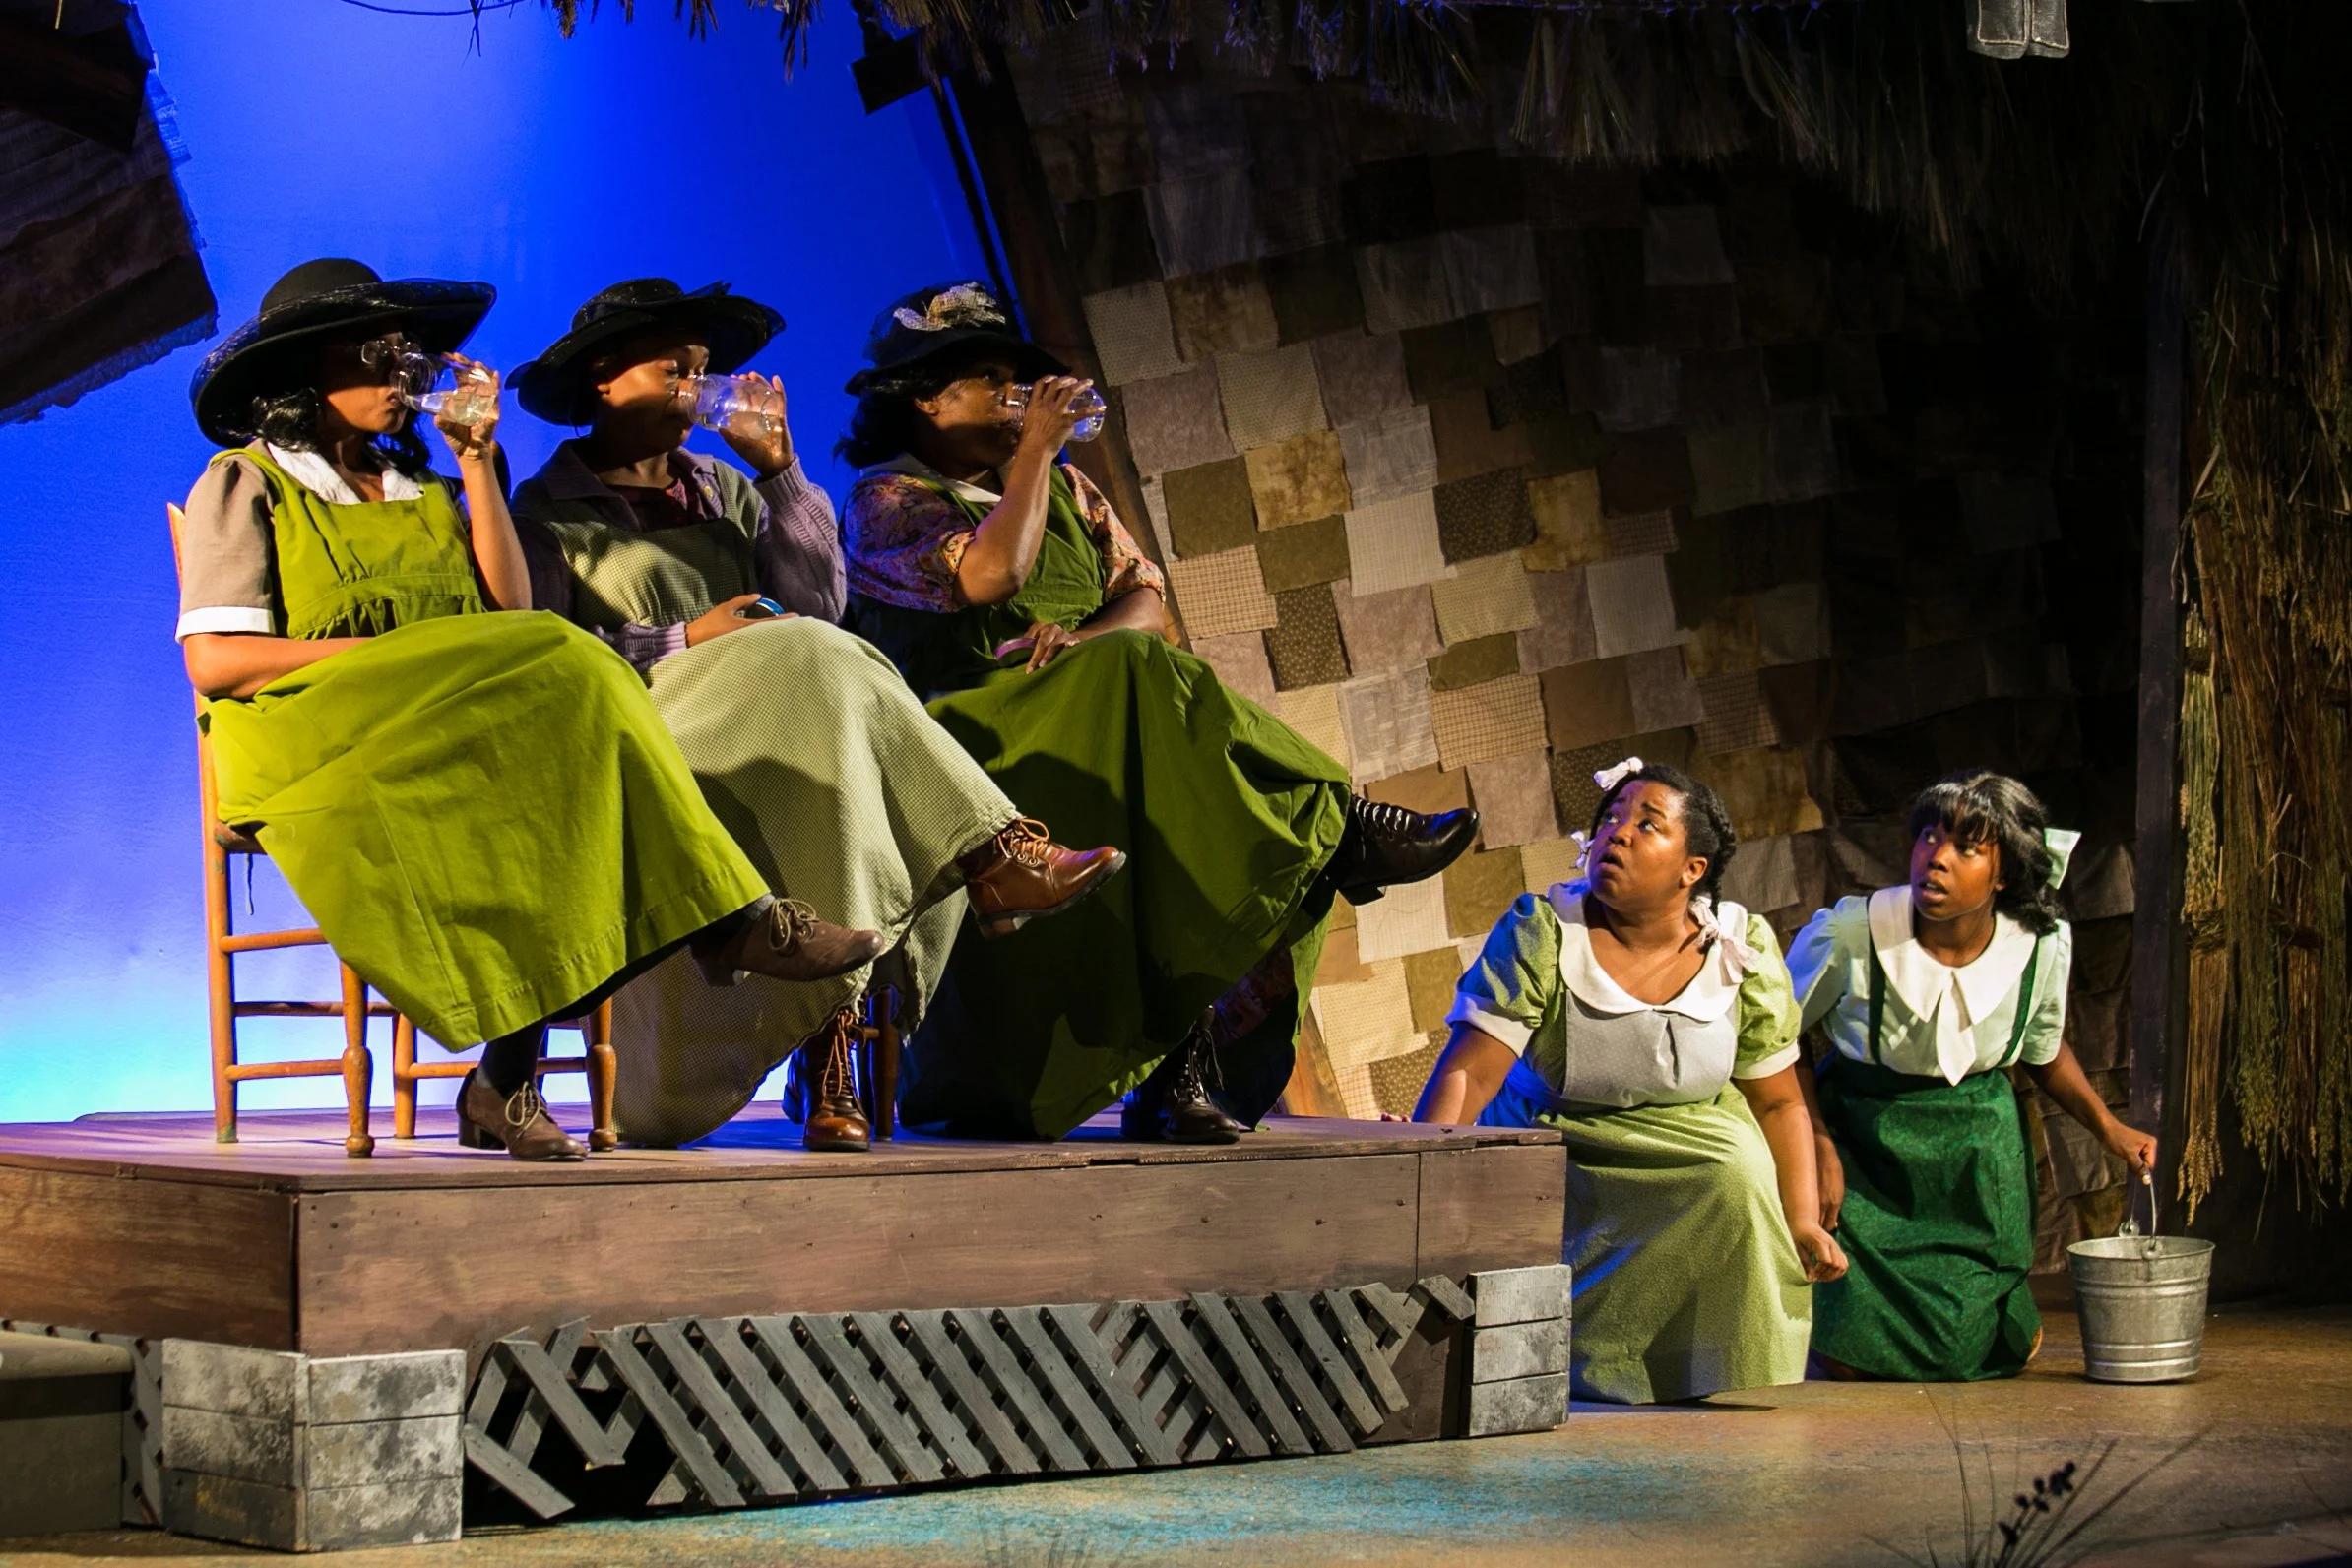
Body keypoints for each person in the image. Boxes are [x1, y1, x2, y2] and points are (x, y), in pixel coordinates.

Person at [175, 258, 884, 1162]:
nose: (402, 379)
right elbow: (219, 661)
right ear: (304, 374)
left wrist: (475, 464)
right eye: (375, 357)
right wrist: (398, 657)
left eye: (408, 358)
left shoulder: (430, 494)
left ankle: (506, 1081)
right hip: (313, 737)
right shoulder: (245, 483)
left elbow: (510, 621)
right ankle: (724, 919)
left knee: (570, 751)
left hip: (444, 724)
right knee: (571, 665)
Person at [839, 281, 1478, 1143]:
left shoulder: (1071, 491)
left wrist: (1084, 642)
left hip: (1086, 716)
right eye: (988, 380)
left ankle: (1179, 1065)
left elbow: (1145, 598)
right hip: (965, 741)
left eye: (1016, 380)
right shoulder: (887, 501)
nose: (1015, 399)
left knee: (1174, 787)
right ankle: (1332, 819)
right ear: (921, 398)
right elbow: (989, 577)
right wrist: (1033, 456)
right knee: (1152, 697)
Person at [507, 278, 1122, 1153]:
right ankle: (991, 850)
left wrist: (779, 472)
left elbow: (820, 606)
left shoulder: (726, 488)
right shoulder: (544, 509)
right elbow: (548, 658)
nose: (696, 388)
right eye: (673, 370)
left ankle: (833, 1049)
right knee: (819, 670)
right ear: (603, 382)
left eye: (702, 371)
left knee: (828, 738)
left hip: (770, 716)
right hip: (645, 730)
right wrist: (686, 635)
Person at [1414, 758, 1847, 1404]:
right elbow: (1469, 1071)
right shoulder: (1543, 931)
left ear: (1691, 867)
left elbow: (1779, 1099)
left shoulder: (1737, 947)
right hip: (1557, 1139)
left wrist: (1803, 1219)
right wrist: (1419, 1168)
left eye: (1646, 824)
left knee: (1735, 1168)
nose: (1616, 832)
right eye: (1610, 817)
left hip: (1688, 1144)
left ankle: (1693, 1363)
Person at [1789, 769, 2158, 1381]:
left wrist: (2108, 1129)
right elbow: (1776, 1040)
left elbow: (2041, 1051)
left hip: (1974, 1156)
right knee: (1858, 1358)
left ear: (2004, 872)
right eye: (1929, 837)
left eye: (1966, 847)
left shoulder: (2038, 947)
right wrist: (1816, 1143)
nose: (1936, 859)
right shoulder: (1853, 934)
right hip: (1867, 1148)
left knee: (1974, 1350)